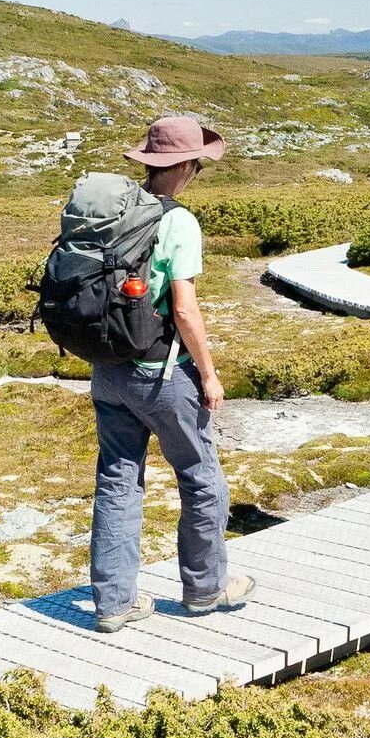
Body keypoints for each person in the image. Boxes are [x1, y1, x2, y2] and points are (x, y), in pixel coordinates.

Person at [88, 116, 254, 633]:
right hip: (161, 372)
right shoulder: (177, 222)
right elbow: (184, 310)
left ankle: (114, 603)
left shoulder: (115, 212)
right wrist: (208, 373)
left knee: (117, 481)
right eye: (197, 166)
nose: (197, 172)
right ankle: (205, 589)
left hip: (107, 369)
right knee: (201, 478)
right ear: (183, 166)